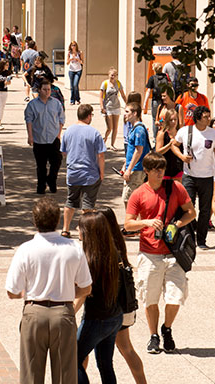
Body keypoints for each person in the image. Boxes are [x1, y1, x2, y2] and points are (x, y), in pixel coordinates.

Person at [5, 197, 92, 384]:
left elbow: (12, 291)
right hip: (63, 312)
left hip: (34, 310)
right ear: (58, 220)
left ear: (35, 221)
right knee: (65, 376)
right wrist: (67, 291)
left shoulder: (25, 249)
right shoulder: (73, 248)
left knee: (31, 374)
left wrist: (28, 292)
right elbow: (86, 288)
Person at [124, 152, 197, 354]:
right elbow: (128, 224)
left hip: (174, 253)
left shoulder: (176, 187)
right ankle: (154, 335)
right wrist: (146, 222)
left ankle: (167, 328)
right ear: (146, 171)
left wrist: (177, 224)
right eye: (155, 169)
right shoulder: (138, 194)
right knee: (150, 298)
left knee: (175, 297)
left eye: (162, 169)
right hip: (149, 253)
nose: (159, 173)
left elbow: (191, 212)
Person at [96, 207, 147, 384]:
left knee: (81, 350)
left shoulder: (103, 247)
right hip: (125, 308)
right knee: (127, 349)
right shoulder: (118, 242)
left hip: (112, 310)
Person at [75, 212, 123, 384]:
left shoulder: (88, 260)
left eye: (79, 227)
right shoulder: (113, 253)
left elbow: (83, 292)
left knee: (72, 360)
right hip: (115, 317)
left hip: (96, 320)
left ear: (88, 232)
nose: (76, 230)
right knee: (105, 364)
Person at [173, 105, 215, 249]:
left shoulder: (213, 134)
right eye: (206, 117)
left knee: (205, 209)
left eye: (209, 116)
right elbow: (174, 145)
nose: (209, 119)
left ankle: (201, 240)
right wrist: (181, 156)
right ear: (197, 118)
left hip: (207, 176)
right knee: (188, 208)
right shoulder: (186, 131)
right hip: (189, 176)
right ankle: (188, 237)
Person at [60, 104, 106, 237]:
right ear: (88, 116)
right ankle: (82, 232)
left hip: (73, 173)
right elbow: (101, 155)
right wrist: (101, 173)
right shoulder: (94, 133)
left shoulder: (68, 131)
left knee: (70, 201)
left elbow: (64, 152)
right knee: (88, 205)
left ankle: (65, 229)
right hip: (90, 174)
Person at [25, 80, 66, 194]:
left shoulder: (56, 103)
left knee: (57, 161)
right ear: (39, 90)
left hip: (53, 138)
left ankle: (51, 180)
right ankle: (41, 186)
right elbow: (29, 121)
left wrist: (58, 134)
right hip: (39, 139)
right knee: (41, 166)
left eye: (49, 89)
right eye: (45, 89)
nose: (47, 92)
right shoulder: (32, 105)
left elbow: (61, 119)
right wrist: (30, 136)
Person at [121, 102, 150, 206]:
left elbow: (139, 151)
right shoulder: (133, 129)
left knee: (130, 201)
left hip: (137, 170)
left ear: (135, 113)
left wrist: (129, 169)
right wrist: (125, 165)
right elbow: (131, 150)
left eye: (127, 111)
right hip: (132, 168)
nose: (125, 114)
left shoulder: (139, 130)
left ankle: (133, 222)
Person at [100, 68, 127, 151]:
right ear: (108, 75)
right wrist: (102, 107)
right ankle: (103, 141)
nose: (113, 76)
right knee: (109, 128)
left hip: (116, 107)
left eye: (114, 75)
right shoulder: (104, 84)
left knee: (115, 127)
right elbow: (101, 97)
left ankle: (112, 144)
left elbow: (122, 95)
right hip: (107, 107)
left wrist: (127, 104)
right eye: (111, 75)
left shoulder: (118, 84)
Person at [155, 108, 183, 181]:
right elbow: (158, 151)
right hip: (165, 168)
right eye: (171, 120)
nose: (173, 122)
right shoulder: (162, 133)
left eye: (175, 119)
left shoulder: (180, 133)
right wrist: (169, 145)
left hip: (178, 168)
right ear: (167, 120)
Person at [144, 63, 169, 139]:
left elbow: (148, 91)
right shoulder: (166, 77)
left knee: (155, 118)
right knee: (164, 118)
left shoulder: (152, 78)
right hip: (164, 100)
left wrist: (145, 102)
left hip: (155, 100)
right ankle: (164, 134)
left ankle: (155, 137)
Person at [0, 59, 12, 130]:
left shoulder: (8, 72)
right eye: (6, 65)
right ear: (2, 65)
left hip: (5, 91)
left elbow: (9, 82)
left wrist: (7, 82)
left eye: (8, 65)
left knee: (2, 107)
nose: (8, 66)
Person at [67, 41, 84, 106]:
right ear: (70, 46)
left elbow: (82, 62)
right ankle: (72, 100)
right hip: (71, 70)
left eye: (74, 45)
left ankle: (77, 99)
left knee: (75, 84)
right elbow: (67, 63)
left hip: (78, 70)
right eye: (72, 45)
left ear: (76, 46)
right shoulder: (69, 53)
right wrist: (70, 59)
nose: (73, 46)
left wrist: (78, 60)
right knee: (72, 86)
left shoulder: (80, 53)